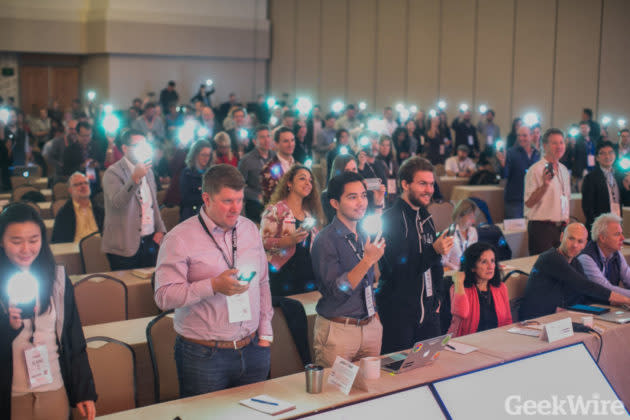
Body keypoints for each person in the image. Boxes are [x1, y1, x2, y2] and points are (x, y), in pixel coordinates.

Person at [154, 164, 273, 396]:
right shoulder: (179, 238)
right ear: (206, 198)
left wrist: (265, 331)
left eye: (239, 200)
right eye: (227, 201)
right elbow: (164, 296)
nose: (236, 208)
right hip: (204, 355)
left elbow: (263, 282)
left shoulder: (249, 229)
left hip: (253, 348)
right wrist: (213, 286)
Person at [0, 203, 97, 420]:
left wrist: (83, 391)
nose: (26, 249)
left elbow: (74, 340)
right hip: (12, 396)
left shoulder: (58, 279)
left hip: (54, 389)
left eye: (33, 240)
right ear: (1, 241)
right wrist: (8, 329)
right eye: (16, 241)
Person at [377, 157, 454, 354]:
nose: (429, 189)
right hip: (399, 315)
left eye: (431, 184)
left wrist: (436, 300)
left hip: (428, 315)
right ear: (405, 184)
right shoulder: (390, 219)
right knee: (399, 378)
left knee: (430, 371)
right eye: (422, 183)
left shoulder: (426, 217)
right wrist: (434, 250)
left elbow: (434, 265)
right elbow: (400, 270)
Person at [311, 172, 385, 367]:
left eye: (362, 195)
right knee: (336, 395)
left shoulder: (362, 232)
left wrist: (374, 315)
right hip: (339, 329)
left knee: (370, 392)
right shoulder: (325, 239)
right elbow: (336, 291)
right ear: (335, 203)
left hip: (369, 325)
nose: (361, 202)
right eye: (352, 197)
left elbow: (368, 280)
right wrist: (367, 260)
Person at [519, 223, 630, 320]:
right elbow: (584, 285)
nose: (575, 245)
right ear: (562, 237)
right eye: (571, 238)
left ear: (585, 244)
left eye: (580, 241)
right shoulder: (551, 258)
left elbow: (584, 294)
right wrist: (626, 299)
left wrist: (613, 302)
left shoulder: (575, 262)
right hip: (535, 320)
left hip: (556, 317)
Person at [102, 129, 166, 270]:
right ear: (125, 148)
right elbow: (117, 203)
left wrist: (160, 229)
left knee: (148, 286)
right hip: (123, 243)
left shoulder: (148, 171)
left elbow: (153, 204)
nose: (142, 150)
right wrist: (135, 178)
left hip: (149, 239)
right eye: (137, 146)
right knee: (128, 287)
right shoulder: (113, 172)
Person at [260, 165, 324, 296]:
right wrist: (289, 240)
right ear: (289, 183)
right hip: (283, 277)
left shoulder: (309, 214)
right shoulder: (275, 210)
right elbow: (262, 243)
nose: (308, 183)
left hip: (308, 276)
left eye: (310, 180)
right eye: (302, 179)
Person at [448, 242, 512, 337]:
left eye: (492, 261)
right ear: (472, 267)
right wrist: (459, 283)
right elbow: (462, 313)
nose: (490, 266)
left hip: (496, 341)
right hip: (465, 343)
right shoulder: (459, 288)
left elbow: (508, 320)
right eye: (484, 262)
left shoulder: (501, 288)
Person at [524, 128, 570, 255]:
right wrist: (545, 185)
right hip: (542, 228)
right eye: (554, 143)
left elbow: (566, 199)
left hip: (561, 228)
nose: (559, 146)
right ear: (544, 145)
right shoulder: (535, 170)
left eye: (561, 142)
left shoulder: (564, 170)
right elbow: (529, 203)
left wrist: (566, 221)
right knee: (543, 269)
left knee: (560, 267)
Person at [577, 213, 630, 298]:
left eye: (621, 233)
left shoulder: (617, 253)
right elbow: (606, 289)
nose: (623, 238)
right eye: (617, 234)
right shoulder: (586, 258)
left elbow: (628, 277)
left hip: (608, 304)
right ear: (602, 238)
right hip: (589, 306)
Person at [497, 125, 540, 219]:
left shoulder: (537, 154)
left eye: (524, 135)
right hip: (515, 201)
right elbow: (504, 175)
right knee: (515, 232)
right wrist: (503, 165)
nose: (521, 138)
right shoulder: (511, 153)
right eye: (519, 135)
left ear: (531, 136)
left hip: (533, 200)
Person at [581, 141, 622, 233]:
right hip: (600, 228)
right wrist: (598, 227)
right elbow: (587, 207)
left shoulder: (619, 176)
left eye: (610, 152)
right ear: (597, 158)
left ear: (615, 155)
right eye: (603, 153)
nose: (607, 156)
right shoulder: (590, 178)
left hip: (617, 223)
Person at [51, 172, 104, 244]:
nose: (83, 186)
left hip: (101, 248)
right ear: (70, 190)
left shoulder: (100, 209)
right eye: (78, 184)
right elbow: (58, 240)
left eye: (86, 183)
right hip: (75, 251)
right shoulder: (64, 213)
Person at [238, 125, 275, 224]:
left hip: (275, 200)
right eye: (262, 137)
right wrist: (257, 196)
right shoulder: (246, 160)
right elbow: (239, 186)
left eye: (268, 136)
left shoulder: (276, 157)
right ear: (255, 141)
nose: (266, 140)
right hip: (256, 203)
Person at [260, 127, 295, 204]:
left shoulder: (298, 165)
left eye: (292, 140)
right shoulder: (269, 168)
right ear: (276, 144)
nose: (290, 144)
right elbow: (272, 198)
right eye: (286, 141)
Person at [179, 139, 212, 220]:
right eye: (203, 155)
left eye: (208, 155)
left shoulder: (211, 173)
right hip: (192, 213)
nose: (206, 158)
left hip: (208, 212)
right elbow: (185, 198)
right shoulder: (187, 173)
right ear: (195, 155)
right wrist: (207, 198)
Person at [443, 199, 478, 271]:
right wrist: (458, 269)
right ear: (460, 216)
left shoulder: (473, 231)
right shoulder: (449, 233)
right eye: (470, 217)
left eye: (473, 217)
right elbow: (443, 260)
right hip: (455, 274)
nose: (473, 221)